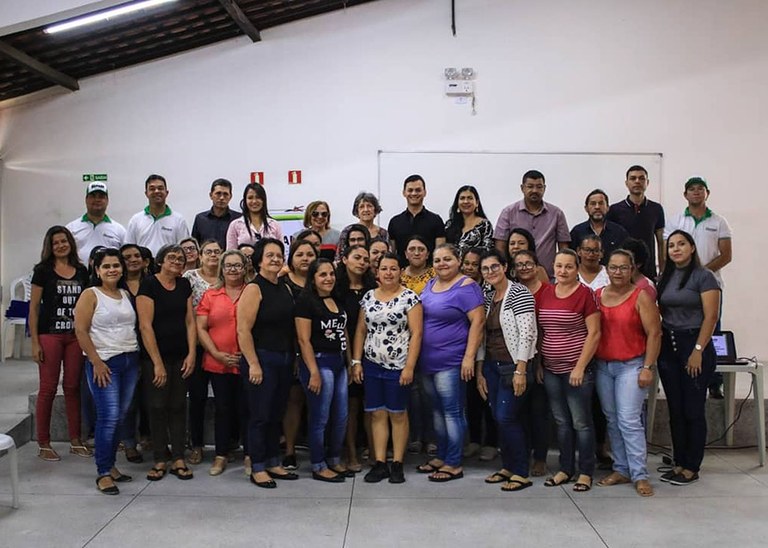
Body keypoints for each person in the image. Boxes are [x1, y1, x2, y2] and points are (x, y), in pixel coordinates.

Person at [594, 249, 661, 497]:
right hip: (603, 367)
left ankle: (640, 474)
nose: (618, 272)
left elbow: (655, 334)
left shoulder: (641, 296)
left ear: (632, 269)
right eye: (613, 267)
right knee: (612, 419)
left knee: (629, 420)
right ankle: (621, 468)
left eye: (623, 267)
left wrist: (647, 367)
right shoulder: (598, 295)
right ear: (607, 269)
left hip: (632, 366)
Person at [352, 252, 423, 484]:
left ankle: (398, 463)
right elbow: (361, 331)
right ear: (377, 272)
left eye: (393, 268)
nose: (389, 273)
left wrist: (409, 366)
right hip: (372, 364)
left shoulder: (410, 298)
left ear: (400, 271)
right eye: (384, 269)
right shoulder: (368, 297)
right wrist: (356, 362)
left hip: (399, 366)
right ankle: (380, 462)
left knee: (398, 414)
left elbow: (417, 334)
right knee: (377, 413)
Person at [657, 230, 720, 486]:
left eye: (681, 244)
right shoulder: (666, 277)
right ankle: (679, 462)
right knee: (675, 409)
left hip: (694, 344)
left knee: (693, 409)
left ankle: (692, 466)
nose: (676, 249)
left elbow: (711, 317)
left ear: (692, 248)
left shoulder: (704, 277)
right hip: (668, 345)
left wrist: (697, 350)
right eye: (671, 245)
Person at [416, 244, 484, 482]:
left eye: (447, 259)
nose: (442, 264)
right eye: (437, 260)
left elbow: (478, 323)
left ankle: (453, 462)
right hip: (427, 361)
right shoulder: (430, 285)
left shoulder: (467, 286)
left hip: (452, 361)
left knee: (452, 412)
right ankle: (442, 455)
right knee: (436, 411)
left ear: (458, 261)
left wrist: (469, 357)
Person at [74, 248, 139, 494]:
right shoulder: (90, 295)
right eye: (107, 266)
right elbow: (81, 331)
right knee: (109, 417)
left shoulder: (124, 293)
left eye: (116, 265)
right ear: (97, 270)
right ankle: (103, 472)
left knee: (121, 416)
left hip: (129, 360)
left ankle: (111, 466)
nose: (112, 270)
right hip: (104, 363)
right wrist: (96, 362)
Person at [236, 238, 298, 488]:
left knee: (276, 413)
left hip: (283, 358)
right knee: (260, 415)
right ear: (259, 260)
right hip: (261, 358)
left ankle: (274, 461)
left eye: (278, 254)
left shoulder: (284, 287)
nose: (275, 259)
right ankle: (258, 466)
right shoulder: (254, 288)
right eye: (269, 255)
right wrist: (253, 363)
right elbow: (243, 330)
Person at [538, 249, 600, 492]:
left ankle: (585, 471)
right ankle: (565, 468)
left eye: (568, 267)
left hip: (577, 371)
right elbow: (542, 330)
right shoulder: (546, 293)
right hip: (551, 369)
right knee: (561, 422)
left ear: (577, 269)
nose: (562, 271)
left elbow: (594, 333)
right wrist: (541, 364)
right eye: (559, 266)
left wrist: (580, 367)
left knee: (581, 422)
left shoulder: (585, 295)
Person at [664, 177, 732, 399]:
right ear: (685, 194)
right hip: (680, 285)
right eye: (691, 190)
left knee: (712, 328)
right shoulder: (676, 221)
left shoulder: (719, 221)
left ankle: (714, 382)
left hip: (710, 285)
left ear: (707, 193)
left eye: (700, 189)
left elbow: (726, 255)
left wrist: (699, 272)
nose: (696, 193)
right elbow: (668, 251)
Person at [475, 250, 537, 491]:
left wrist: (521, 370)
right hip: (491, 365)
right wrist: (480, 371)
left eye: (494, 267)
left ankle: (521, 471)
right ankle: (508, 466)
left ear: (504, 266)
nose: (490, 272)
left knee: (506, 417)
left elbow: (528, 334)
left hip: (513, 365)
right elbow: (482, 336)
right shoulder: (487, 296)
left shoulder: (519, 293)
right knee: (499, 418)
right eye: (485, 269)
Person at [30, 226, 91, 461]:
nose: (60, 245)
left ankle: (76, 440)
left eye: (64, 241)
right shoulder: (42, 271)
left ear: (70, 243)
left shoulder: (81, 270)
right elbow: (34, 308)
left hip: (76, 336)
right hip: (49, 335)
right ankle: (43, 442)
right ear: (50, 246)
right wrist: (34, 342)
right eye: (55, 242)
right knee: (47, 388)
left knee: (73, 387)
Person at [137, 244, 196, 481]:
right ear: (159, 261)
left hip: (180, 355)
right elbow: (145, 325)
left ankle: (179, 456)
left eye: (181, 259)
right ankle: (161, 457)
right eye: (172, 257)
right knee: (158, 406)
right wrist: (157, 363)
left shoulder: (184, 284)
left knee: (178, 406)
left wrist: (192, 353)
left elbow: (190, 322)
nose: (177, 261)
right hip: (155, 358)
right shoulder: (149, 284)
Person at [294, 258, 351, 482]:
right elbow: (303, 339)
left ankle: (334, 458)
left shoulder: (337, 299)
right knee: (321, 417)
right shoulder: (305, 301)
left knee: (341, 416)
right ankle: (318, 464)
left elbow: (343, 332)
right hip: (318, 363)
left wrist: (350, 362)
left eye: (331, 274)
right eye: (322, 275)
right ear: (313, 279)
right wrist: (314, 372)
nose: (328, 278)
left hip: (338, 363)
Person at [197, 250, 246, 476]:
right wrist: (216, 353)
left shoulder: (252, 292)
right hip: (219, 362)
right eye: (229, 266)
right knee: (223, 409)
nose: (233, 269)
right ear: (222, 269)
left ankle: (250, 454)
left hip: (248, 362)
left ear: (245, 268)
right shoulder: (211, 295)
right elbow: (201, 328)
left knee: (248, 408)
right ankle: (221, 454)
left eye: (238, 265)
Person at [335, 245, 377, 472]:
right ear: (344, 260)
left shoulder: (373, 288)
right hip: (343, 354)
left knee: (370, 406)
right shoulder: (336, 288)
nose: (361, 262)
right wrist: (352, 361)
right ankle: (350, 452)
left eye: (365, 259)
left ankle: (373, 450)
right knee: (349, 407)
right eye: (357, 257)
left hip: (371, 354)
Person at [510, 249, 550, 476]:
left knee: (538, 411)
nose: (524, 267)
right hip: (515, 361)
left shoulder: (549, 292)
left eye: (529, 263)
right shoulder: (511, 292)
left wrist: (541, 363)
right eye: (519, 264)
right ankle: (521, 455)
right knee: (519, 412)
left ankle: (540, 458)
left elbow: (545, 330)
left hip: (539, 360)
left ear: (537, 266)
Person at [182, 239, 222, 465]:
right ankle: (196, 445)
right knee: (197, 398)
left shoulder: (226, 278)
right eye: (208, 252)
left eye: (217, 252)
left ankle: (225, 445)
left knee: (224, 399)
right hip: (197, 346)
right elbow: (187, 315)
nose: (213, 256)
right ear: (200, 255)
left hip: (221, 346)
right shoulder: (189, 278)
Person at [280, 238, 318, 470]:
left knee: (317, 403)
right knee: (293, 401)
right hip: (289, 348)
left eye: (310, 254)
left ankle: (318, 449)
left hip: (320, 350)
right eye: (300, 254)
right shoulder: (282, 283)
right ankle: (290, 450)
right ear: (291, 259)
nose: (305, 258)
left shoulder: (324, 280)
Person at [494, 170, 570, 278]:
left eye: (539, 187)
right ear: (522, 188)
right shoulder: (508, 212)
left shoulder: (557, 214)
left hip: (548, 278)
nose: (534, 190)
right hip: (515, 276)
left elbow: (564, 248)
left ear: (544, 188)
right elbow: (500, 247)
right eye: (530, 186)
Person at [461, 247, 498, 461]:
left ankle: (492, 442)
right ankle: (474, 440)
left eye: (475, 264)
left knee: (488, 396)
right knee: (471, 398)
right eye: (466, 263)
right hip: (464, 350)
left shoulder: (489, 289)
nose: (470, 268)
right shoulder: (458, 286)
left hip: (488, 350)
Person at [118, 243, 152, 463]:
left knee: (151, 399)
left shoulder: (152, 283)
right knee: (129, 401)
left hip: (150, 348)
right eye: (127, 257)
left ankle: (149, 437)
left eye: (136, 256)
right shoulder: (114, 286)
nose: (133, 260)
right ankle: (129, 443)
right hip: (125, 349)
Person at [607, 165, 665, 280]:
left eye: (641, 178)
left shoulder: (656, 208)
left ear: (647, 182)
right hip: (621, 271)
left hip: (648, 270)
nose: (637, 181)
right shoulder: (615, 209)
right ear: (626, 183)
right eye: (633, 178)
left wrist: (663, 270)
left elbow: (661, 242)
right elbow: (609, 241)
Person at [387, 175, 446, 265]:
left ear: (425, 192)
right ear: (404, 193)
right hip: (402, 274)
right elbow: (392, 254)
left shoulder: (436, 220)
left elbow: (440, 253)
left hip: (430, 274)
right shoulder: (395, 222)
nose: (414, 193)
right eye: (410, 190)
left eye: (418, 190)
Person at [126, 174, 190, 255]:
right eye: (152, 189)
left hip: (170, 265)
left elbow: (184, 249)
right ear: (146, 193)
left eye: (160, 188)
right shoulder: (136, 220)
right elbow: (129, 249)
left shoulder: (178, 220)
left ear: (166, 193)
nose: (157, 191)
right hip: (144, 266)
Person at [66, 181, 126, 264]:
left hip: (109, 275)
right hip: (79, 275)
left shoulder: (119, 230)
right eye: (93, 196)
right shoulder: (71, 228)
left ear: (107, 201)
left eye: (101, 197)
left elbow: (125, 257)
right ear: (86, 200)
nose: (97, 200)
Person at [569, 189, 629, 264]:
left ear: (607, 208)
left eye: (601, 203)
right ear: (586, 208)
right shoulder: (577, 232)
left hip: (613, 274)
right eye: (593, 204)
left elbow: (627, 258)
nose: (597, 207)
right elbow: (571, 259)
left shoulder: (619, 232)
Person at [226, 183, 283, 249]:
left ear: (263, 200)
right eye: (250, 198)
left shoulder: (274, 225)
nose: (254, 201)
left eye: (258, 197)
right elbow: (230, 254)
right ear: (245, 201)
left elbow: (281, 253)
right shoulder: (235, 225)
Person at [336, 192, 389, 261]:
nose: (366, 209)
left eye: (369, 206)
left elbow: (388, 257)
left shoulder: (383, 233)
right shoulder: (348, 230)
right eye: (361, 207)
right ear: (357, 211)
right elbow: (339, 256)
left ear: (375, 209)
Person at [191, 178, 242, 249]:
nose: (221, 198)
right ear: (211, 195)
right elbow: (195, 246)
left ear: (230, 197)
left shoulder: (239, 219)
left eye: (225, 194)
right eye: (218, 193)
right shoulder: (200, 219)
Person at [444, 185, 494, 257]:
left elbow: (488, 250)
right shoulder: (449, 224)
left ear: (477, 203)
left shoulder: (485, 225)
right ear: (457, 203)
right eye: (462, 198)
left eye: (470, 198)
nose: (466, 201)